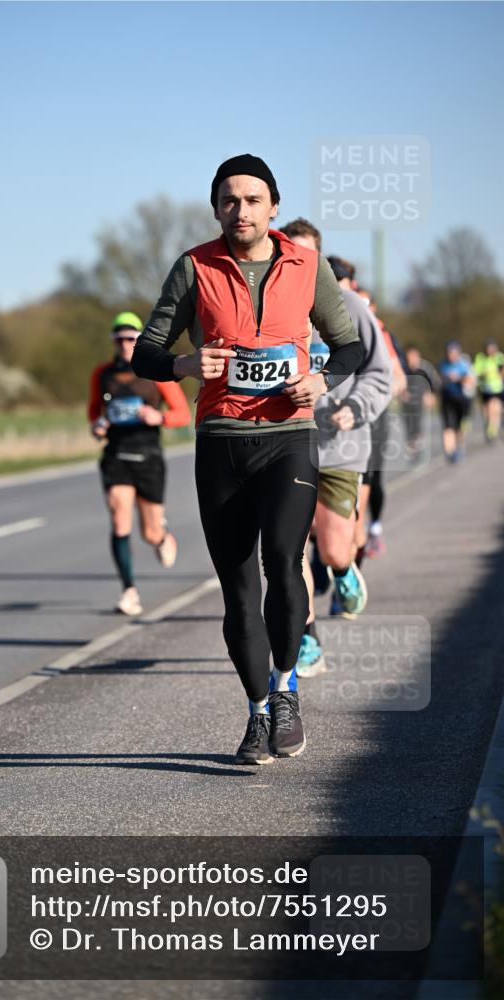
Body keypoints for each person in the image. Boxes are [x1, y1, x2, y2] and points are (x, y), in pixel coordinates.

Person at [132, 155, 363, 764]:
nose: (241, 211)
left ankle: (287, 691)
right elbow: (147, 353)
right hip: (221, 443)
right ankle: (258, 710)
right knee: (238, 590)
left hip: (288, 436)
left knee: (285, 564)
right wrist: (183, 365)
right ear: (216, 208)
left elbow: (348, 347)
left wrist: (319, 378)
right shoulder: (194, 268)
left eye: (253, 200)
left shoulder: (307, 266)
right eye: (230, 201)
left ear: (273, 207)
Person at [281, 224, 392, 675]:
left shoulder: (349, 308)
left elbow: (379, 373)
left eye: (310, 259)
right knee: (289, 552)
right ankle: (306, 639)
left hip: (342, 447)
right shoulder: (271, 311)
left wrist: (355, 407)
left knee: (332, 550)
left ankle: (345, 571)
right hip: (287, 444)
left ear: (321, 262)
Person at [88, 311, 191, 615]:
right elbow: (95, 411)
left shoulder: (155, 370)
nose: (124, 344)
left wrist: (158, 417)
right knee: (119, 515)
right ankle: (129, 591)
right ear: (113, 342)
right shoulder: (102, 374)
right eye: (119, 339)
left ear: (139, 340)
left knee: (149, 533)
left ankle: (162, 535)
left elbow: (182, 414)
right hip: (116, 455)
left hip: (148, 457)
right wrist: (97, 426)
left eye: (131, 338)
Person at [351, 286, 407, 563]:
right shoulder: (332, 326)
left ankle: (369, 532)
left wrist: (377, 392)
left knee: (370, 481)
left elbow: (399, 379)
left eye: (365, 305)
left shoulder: (383, 335)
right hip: (336, 421)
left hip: (373, 417)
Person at [402, 345, 441, 461]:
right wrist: (401, 393)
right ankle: (412, 446)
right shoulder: (403, 368)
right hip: (407, 403)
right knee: (409, 425)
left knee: (418, 424)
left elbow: (435, 382)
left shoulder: (425, 368)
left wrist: (431, 394)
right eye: (409, 358)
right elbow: (397, 382)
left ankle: (417, 446)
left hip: (421, 402)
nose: (411, 361)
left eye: (413, 357)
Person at [438, 340, 475, 463]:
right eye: (449, 352)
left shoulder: (464, 364)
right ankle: (450, 453)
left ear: (458, 353)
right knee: (448, 426)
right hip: (447, 399)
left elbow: (471, 381)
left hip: (462, 400)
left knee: (459, 427)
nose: (451, 355)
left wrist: (459, 378)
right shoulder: (442, 364)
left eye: (453, 352)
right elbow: (438, 379)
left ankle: (458, 447)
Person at [473, 340, 504, 443]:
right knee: (486, 410)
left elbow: (502, 371)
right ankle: (490, 424)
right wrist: (483, 373)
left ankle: (493, 427)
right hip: (485, 389)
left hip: (497, 388)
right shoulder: (481, 357)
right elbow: (475, 371)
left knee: (495, 407)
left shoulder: (499, 357)